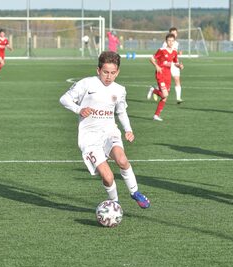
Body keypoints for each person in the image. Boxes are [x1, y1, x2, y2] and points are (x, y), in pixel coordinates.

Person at [59, 51, 150, 209]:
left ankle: (135, 192)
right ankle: (115, 203)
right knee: (107, 177)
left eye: (113, 73)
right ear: (98, 70)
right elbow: (64, 99)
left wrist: (128, 129)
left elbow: (121, 112)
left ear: (118, 72)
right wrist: (78, 109)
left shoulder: (120, 90)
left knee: (122, 160)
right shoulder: (86, 84)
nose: (109, 76)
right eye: (105, 72)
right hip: (89, 138)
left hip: (109, 132)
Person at [146, 33, 184, 121]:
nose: (170, 42)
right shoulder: (161, 50)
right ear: (166, 41)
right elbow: (151, 58)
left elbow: (175, 63)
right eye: (169, 41)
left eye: (172, 41)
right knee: (165, 94)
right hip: (160, 74)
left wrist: (180, 66)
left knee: (165, 98)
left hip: (168, 75)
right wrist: (156, 66)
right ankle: (153, 90)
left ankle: (156, 115)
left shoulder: (174, 52)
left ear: (174, 42)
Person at [162, 27, 183, 104]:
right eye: (172, 33)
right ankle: (153, 89)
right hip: (167, 64)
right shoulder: (165, 43)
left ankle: (178, 98)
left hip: (175, 64)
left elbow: (176, 53)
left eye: (175, 33)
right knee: (165, 83)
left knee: (177, 79)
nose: (174, 34)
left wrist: (179, 54)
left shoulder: (177, 43)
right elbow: (165, 53)